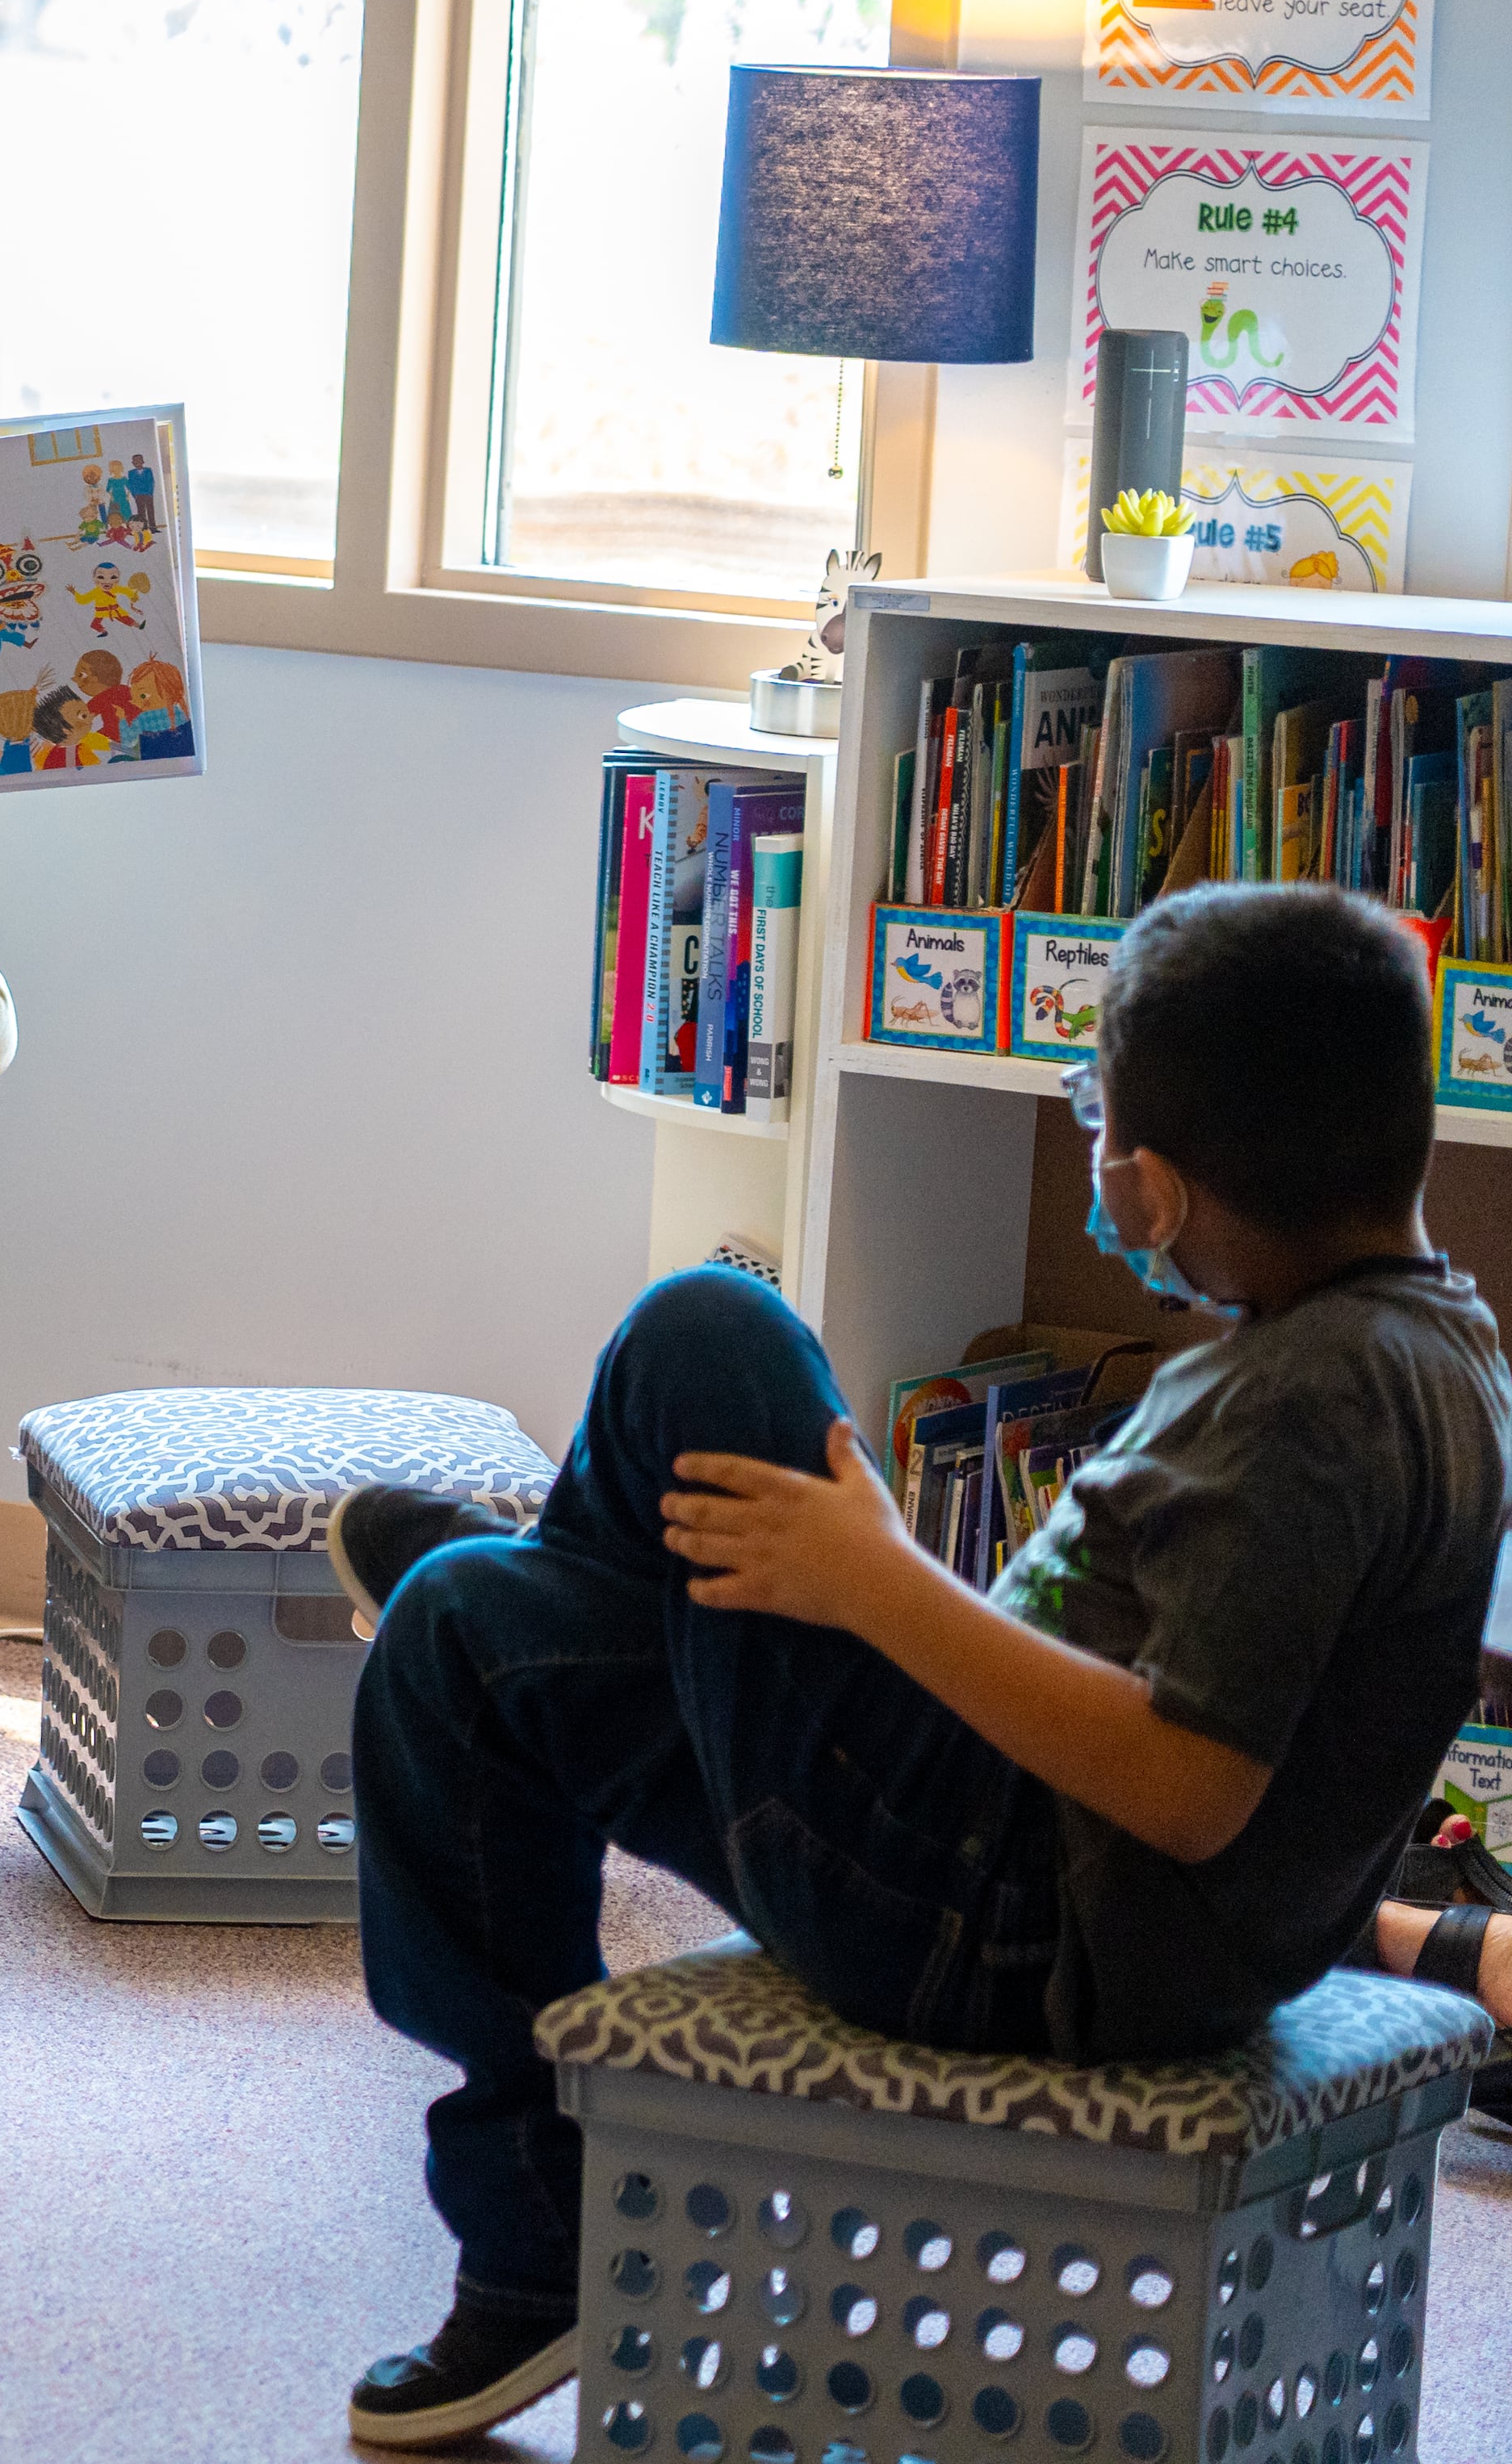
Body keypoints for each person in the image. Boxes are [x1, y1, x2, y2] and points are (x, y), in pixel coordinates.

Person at [316, 883, 1512, 2446]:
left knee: (702, 1340)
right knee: (454, 1643)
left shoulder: (1311, 1405)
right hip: (1011, 1869)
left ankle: (577, 1601)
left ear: (1156, 1190)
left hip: (1000, 1926)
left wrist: (879, 1583)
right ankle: (554, 1608)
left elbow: (1187, 1783)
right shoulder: (1433, 1340)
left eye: (1100, 1135)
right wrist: (884, 1588)